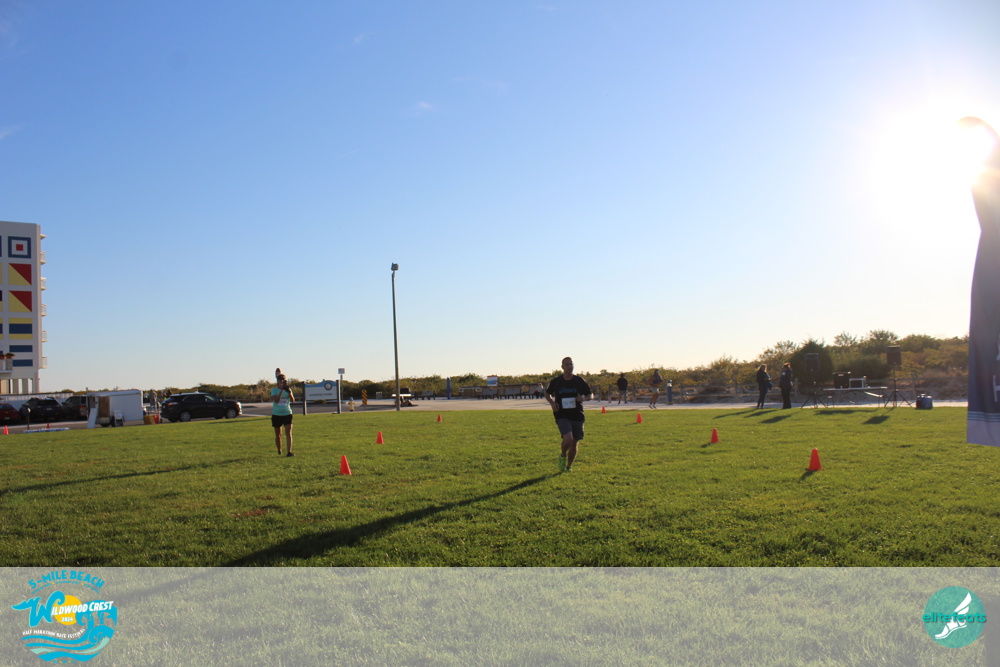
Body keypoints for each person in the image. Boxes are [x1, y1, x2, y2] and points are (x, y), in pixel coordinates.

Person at [545, 357, 592, 472]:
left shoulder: (579, 380)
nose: (569, 366)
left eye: (571, 364)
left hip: (577, 414)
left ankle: (569, 466)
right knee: (568, 438)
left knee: (574, 442)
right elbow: (547, 393)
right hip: (562, 414)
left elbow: (590, 394)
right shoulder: (557, 381)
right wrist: (552, 403)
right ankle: (562, 455)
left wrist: (583, 398)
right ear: (562, 367)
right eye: (567, 365)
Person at [271, 374, 295, 456]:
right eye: (281, 381)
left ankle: (289, 452)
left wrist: (289, 392)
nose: (282, 382)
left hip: (287, 413)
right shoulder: (274, 390)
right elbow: (276, 400)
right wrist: (281, 391)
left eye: (284, 381)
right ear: (278, 381)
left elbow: (293, 400)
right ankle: (279, 450)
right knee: (278, 434)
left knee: (288, 432)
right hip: (277, 414)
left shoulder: (288, 389)